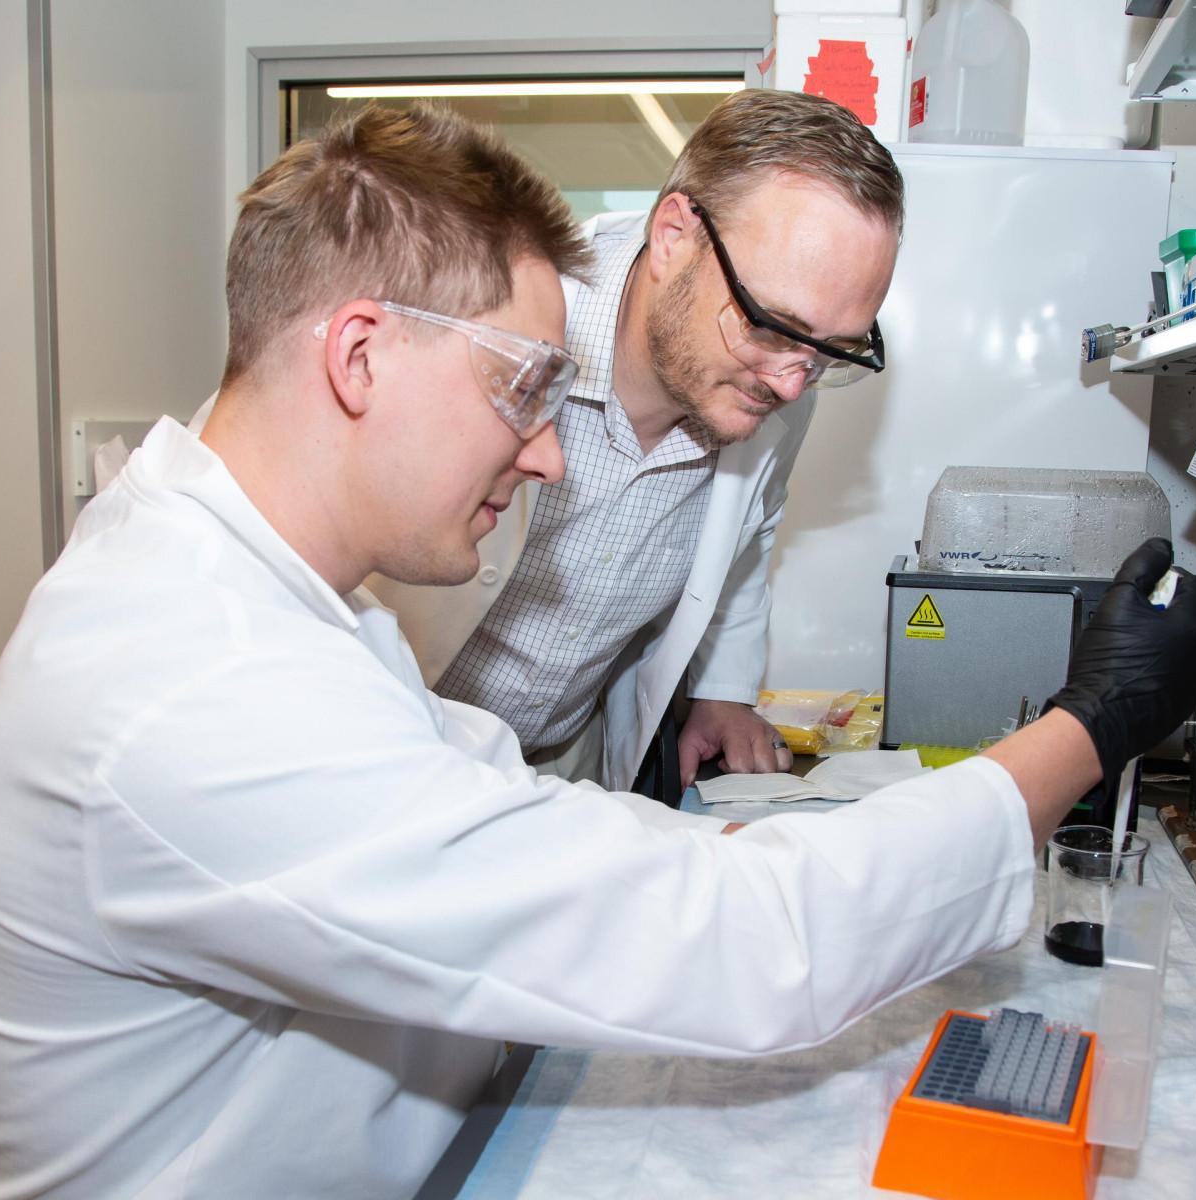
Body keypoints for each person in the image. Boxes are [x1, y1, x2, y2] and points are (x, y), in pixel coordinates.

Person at [0, 104, 1196, 1198]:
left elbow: (516, 811)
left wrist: (754, 829)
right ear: (361, 355)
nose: (555, 455)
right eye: (521, 392)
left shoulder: (280, 602)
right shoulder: (197, 685)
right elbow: (728, 941)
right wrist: (1084, 729)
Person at [373, 89, 902, 792]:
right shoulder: (504, 315)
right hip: (390, 748)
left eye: (829, 352)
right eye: (771, 325)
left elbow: (750, 532)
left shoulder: (771, 383)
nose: (791, 384)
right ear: (674, 236)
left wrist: (724, 690)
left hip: (562, 764)